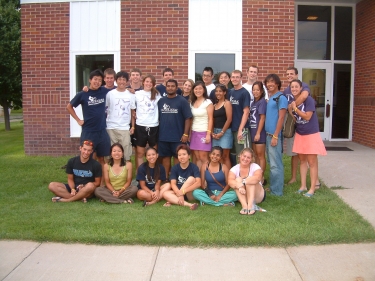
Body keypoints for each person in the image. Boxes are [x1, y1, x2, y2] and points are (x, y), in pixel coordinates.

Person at [288, 79, 327, 197]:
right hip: (300, 134)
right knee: (302, 161)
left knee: (312, 162)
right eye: (292, 87)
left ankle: (312, 189)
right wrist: (291, 110)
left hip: (311, 134)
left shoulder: (309, 100)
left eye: (296, 87)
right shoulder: (293, 101)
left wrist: (295, 109)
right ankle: (303, 186)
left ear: (301, 88)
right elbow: (295, 119)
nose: (294, 89)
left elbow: (307, 117)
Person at [67, 69, 111, 170]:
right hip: (88, 131)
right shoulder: (83, 94)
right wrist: (78, 120)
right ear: (90, 80)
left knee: (102, 158)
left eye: (100, 80)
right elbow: (69, 106)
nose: (97, 82)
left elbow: (118, 89)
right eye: (95, 79)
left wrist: (130, 89)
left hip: (102, 131)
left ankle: (101, 184)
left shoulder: (104, 91)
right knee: (88, 158)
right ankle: (88, 181)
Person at [158, 79, 192, 178]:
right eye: (168, 86)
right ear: (166, 87)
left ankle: (177, 178)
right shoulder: (161, 101)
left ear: (177, 88)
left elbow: (188, 118)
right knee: (165, 158)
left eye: (173, 86)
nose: (170, 88)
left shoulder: (182, 101)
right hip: (163, 136)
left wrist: (185, 134)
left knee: (178, 157)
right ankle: (166, 178)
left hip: (178, 136)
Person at [283, 67, 310, 185]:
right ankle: (294, 178)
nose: (289, 75)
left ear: (297, 75)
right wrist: (291, 112)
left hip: (305, 123)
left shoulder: (303, 85)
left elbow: (304, 96)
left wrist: (293, 108)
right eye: (287, 74)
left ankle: (315, 179)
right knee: (294, 153)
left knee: (308, 153)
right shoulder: (286, 90)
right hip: (293, 123)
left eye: (292, 74)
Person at [264, 74, 287, 196]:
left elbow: (281, 117)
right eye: (267, 82)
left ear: (277, 83)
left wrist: (276, 135)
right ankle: (274, 187)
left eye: (272, 82)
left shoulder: (281, 98)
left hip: (274, 135)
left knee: (276, 164)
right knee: (271, 162)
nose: (269, 84)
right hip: (268, 135)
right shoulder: (271, 97)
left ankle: (277, 191)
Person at [106, 71, 136, 161]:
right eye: (119, 79)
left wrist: (133, 126)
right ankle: (111, 173)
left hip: (124, 128)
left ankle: (127, 173)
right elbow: (105, 109)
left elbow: (132, 111)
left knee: (126, 154)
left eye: (124, 80)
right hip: (111, 127)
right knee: (110, 153)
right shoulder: (110, 94)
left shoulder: (131, 94)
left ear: (127, 81)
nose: (121, 82)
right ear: (116, 81)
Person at [134, 74, 161, 168]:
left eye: (151, 82)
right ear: (143, 82)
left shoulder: (157, 95)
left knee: (153, 153)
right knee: (140, 153)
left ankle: (153, 173)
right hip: (140, 125)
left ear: (153, 84)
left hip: (153, 126)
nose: (149, 84)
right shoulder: (137, 94)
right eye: (147, 81)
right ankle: (141, 175)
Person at [228, 148, 266, 215]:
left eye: (248, 157)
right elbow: (230, 181)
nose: (245, 159)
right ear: (240, 156)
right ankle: (244, 206)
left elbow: (258, 178)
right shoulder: (234, 169)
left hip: (257, 196)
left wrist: (243, 182)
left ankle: (251, 206)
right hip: (243, 195)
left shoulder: (255, 167)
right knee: (237, 180)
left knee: (250, 180)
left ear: (251, 159)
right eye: (244, 156)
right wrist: (239, 186)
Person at [162, 144, 200, 210]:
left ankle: (173, 201)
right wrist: (179, 193)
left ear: (189, 156)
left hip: (189, 193)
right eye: (179, 155)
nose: (181, 157)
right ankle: (189, 204)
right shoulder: (175, 168)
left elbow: (198, 183)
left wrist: (183, 192)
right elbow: (173, 184)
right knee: (165, 193)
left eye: (184, 154)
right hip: (178, 192)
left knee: (191, 178)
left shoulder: (194, 167)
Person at [228, 70, 251, 166]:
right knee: (233, 155)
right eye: (233, 77)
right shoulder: (230, 92)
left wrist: (241, 129)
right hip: (231, 129)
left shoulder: (245, 93)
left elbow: (246, 112)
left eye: (237, 77)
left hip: (242, 129)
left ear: (241, 78)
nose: (235, 79)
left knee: (244, 155)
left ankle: (247, 178)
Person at [190, 81, 213, 170]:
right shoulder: (192, 102)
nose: (198, 90)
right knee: (197, 157)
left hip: (204, 132)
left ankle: (206, 179)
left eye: (200, 88)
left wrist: (208, 134)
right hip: (194, 132)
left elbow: (211, 119)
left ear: (204, 90)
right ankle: (199, 178)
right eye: (196, 89)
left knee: (203, 157)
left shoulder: (208, 102)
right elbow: (191, 119)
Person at [211, 84, 233, 169]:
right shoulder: (214, 105)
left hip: (225, 132)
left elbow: (229, 119)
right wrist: (212, 132)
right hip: (215, 132)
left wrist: (222, 132)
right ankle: (220, 175)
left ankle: (228, 178)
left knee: (224, 156)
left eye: (220, 91)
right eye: (216, 91)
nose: (218, 93)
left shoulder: (227, 103)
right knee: (217, 156)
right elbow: (212, 120)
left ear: (224, 92)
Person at [249, 81, 267, 185]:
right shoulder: (253, 102)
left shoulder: (262, 102)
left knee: (260, 156)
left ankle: (261, 177)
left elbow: (262, 118)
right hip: (252, 130)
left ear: (261, 91)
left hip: (259, 132)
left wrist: (258, 133)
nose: (255, 92)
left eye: (258, 90)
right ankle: (256, 175)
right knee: (255, 155)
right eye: (254, 89)